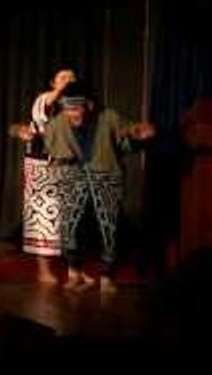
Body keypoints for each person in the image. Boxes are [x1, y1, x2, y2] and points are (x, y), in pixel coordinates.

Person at [43, 81, 155, 292]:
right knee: (69, 227)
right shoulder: (58, 123)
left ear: (89, 105)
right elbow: (49, 142)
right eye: (67, 109)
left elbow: (127, 139)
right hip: (74, 177)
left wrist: (139, 136)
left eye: (76, 108)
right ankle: (74, 272)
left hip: (105, 175)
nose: (71, 114)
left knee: (109, 228)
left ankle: (107, 275)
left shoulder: (109, 117)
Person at [8, 68, 76, 284]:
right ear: (53, 83)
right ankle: (44, 271)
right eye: (63, 77)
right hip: (41, 165)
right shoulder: (44, 99)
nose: (68, 80)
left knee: (69, 218)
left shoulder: (77, 105)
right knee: (43, 219)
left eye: (72, 78)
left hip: (68, 164)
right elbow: (44, 111)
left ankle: (73, 269)